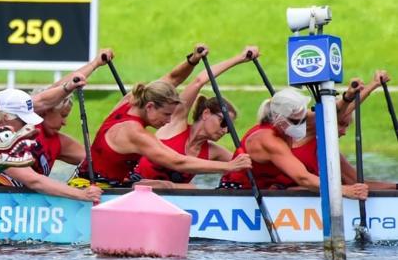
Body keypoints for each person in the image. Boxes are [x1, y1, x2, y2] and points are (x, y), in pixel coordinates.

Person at [79, 44, 252, 187]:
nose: (169, 120)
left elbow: (173, 78)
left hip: (99, 185)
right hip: (96, 192)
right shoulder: (135, 132)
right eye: (166, 114)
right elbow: (178, 162)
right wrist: (228, 167)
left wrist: (191, 60)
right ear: (150, 106)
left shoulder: (130, 100)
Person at [130, 46, 259, 188]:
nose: (225, 131)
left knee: (192, 187)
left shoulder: (215, 151)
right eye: (224, 123)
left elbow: (249, 167)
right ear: (206, 113)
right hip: (135, 189)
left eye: (229, 129)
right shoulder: (175, 122)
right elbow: (199, 80)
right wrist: (240, 58)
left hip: (171, 202)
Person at [0, 88, 101, 202]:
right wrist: (81, 195)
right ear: (6, 116)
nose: (27, 125)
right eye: (23, 120)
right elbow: (34, 181)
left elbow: (44, 99)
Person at [219, 87, 368, 200]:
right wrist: (344, 190)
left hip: (266, 190)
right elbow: (303, 178)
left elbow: (331, 111)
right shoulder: (268, 140)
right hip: (238, 194)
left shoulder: (292, 117)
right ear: (279, 118)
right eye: (298, 121)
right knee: (303, 185)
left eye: (304, 118)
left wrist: (348, 97)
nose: (303, 124)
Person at [292, 71, 397, 190]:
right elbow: (334, 112)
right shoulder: (307, 130)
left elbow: (356, 182)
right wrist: (352, 94)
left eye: (346, 126)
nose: (344, 132)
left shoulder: (331, 151)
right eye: (341, 124)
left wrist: (395, 186)